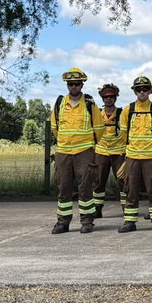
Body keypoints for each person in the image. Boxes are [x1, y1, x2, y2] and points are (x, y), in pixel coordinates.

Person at [49, 67, 104, 234]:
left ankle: (87, 221)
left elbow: (99, 128)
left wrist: (87, 144)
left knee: (85, 186)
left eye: (77, 84)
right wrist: (66, 143)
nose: (74, 87)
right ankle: (63, 223)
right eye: (71, 84)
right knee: (64, 187)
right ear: (67, 85)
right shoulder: (60, 103)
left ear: (82, 85)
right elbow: (54, 127)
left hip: (84, 152)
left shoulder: (89, 104)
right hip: (64, 152)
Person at [118, 76, 152, 232]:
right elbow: (123, 134)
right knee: (131, 190)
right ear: (134, 91)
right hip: (133, 157)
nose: (142, 92)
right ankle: (130, 222)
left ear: (150, 90)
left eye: (145, 89)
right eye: (139, 89)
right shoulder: (129, 109)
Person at [92, 83, 125, 219]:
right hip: (101, 152)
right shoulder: (97, 114)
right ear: (102, 98)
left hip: (118, 153)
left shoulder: (122, 113)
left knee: (123, 181)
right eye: (106, 97)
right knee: (99, 182)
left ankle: (127, 208)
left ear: (115, 98)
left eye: (111, 96)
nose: (109, 99)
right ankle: (97, 209)